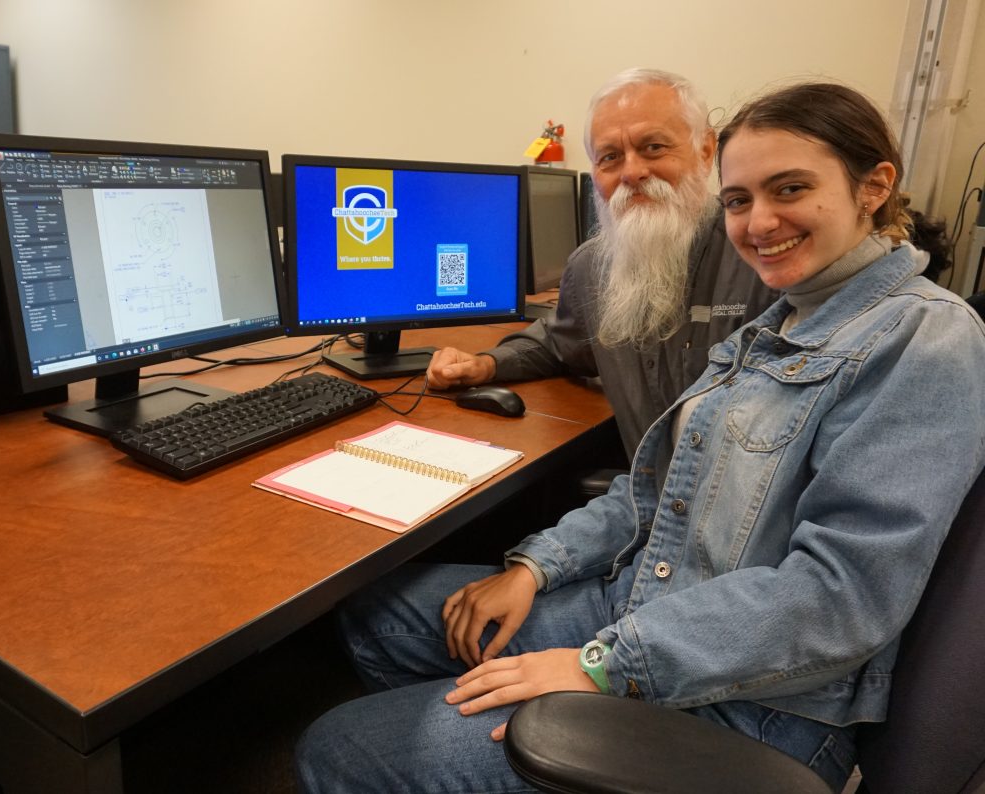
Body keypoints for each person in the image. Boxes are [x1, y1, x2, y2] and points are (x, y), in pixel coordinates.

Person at [295, 82, 985, 794]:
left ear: (874, 187)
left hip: (759, 705)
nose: (758, 222)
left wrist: (600, 666)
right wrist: (535, 567)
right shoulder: (783, 322)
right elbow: (663, 487)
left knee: (341, 748)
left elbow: (839, 598)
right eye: (741, 199)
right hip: (654, 601)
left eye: (790, 189)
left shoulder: (924, 339)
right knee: (377, 616)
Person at [428, 68, 778, 461]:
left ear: (705, 150)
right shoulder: (591, 267)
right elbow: (559, 345)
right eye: (610, 157)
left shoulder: (762, 255)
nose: (632, 172)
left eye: (653, 147)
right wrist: (486, 365)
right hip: (645, 500)